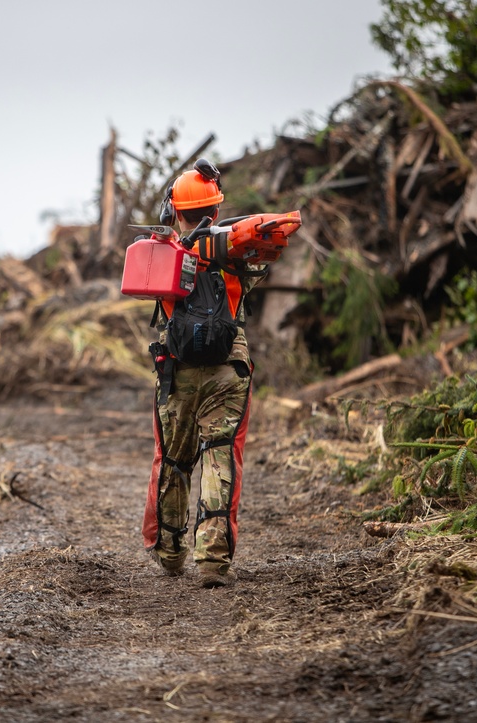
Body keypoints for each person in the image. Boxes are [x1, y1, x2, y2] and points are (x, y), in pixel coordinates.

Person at [141, 159, 281, 589]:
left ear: (174, 213)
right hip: (228, 370)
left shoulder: (160, 253)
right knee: (221, 456)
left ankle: (169, 552)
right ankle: (214, 562)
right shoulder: (239, 258)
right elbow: (265, 254)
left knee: (174, 461)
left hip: (175, 372)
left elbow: (144, 283)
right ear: (216, 212)